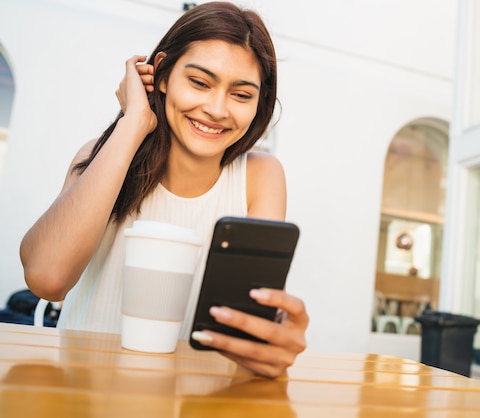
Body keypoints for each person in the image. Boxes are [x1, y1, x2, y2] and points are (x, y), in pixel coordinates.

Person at [19, 2, 308, 378]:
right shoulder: (102, 155)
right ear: (164, 75)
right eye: (200, 83)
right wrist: (133, 122)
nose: (217, 109)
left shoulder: (260, 176)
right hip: (85, 394)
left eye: (241, 94)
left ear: (259, 104)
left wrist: (272, 345)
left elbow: (247, 321)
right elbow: (47, 279)